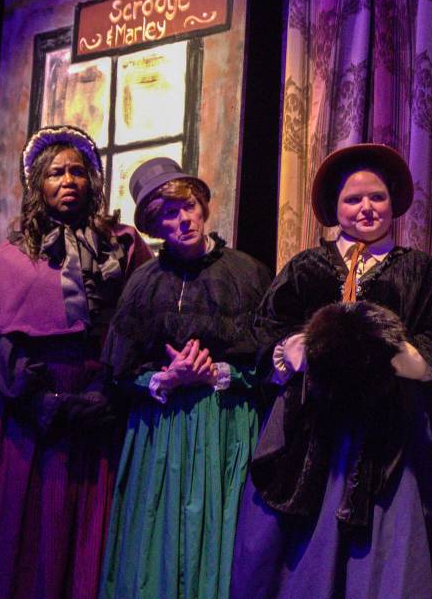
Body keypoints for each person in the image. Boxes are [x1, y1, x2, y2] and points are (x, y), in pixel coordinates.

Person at [229, 143, 432, 599]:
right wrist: (299, 349)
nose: (366, 208)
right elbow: (266, 330)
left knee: (389, 532)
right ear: (335, 208)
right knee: (298, 535)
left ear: (393, 202)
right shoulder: (307, 267)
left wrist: (389, 356)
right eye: (354, 200)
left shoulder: (419, 269)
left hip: (389, 427)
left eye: (377, 197)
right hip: (314, 425)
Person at [0, 125, 152, 598]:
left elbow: (142, 324)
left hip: (100, 401)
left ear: (93, 181)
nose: (69, 181)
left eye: (78, 172)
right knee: (28, 518)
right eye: (57, 173)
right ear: (39, 184)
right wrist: (38, 399)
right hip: (33, 407)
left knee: (93, 521)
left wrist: (109, 389)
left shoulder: (122, 245)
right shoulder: (15, 252)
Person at [97, 157, 272, 599]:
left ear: (202, 207)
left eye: (188, 207)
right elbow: (118, 371)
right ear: (156, 227)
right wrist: (165, 378)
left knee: (221, 532)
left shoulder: (247, 273)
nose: (184, 220)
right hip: (163, 430)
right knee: (160, 534)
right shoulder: (143, 283)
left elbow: (271, 361)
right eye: (169, 215)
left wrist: (220, 372)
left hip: (226, 423)